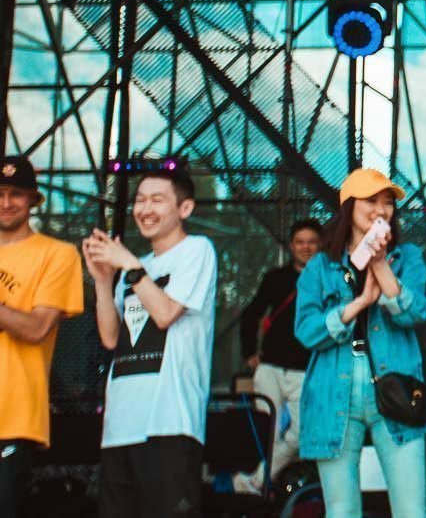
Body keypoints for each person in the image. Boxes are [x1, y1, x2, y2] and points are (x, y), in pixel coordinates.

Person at [294, 168, 426, 518]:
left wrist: (380, 265)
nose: (381, 210)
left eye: (388, 203)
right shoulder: (320, 266)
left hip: (396, 384)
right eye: (371, 200)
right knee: (341, 510)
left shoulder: (406, 257)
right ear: (349, 206)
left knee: (412, 510)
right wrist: (360, 303)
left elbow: (415, 314)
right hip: (333, 390)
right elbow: (306, 331)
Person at [82, 165, 217, 518]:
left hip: (170, 421)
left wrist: (129, 266)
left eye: (157, 200)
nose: (145, 209)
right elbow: (110, 338)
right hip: (120, 424)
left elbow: (166, 313)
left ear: (185, 208)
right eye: (140, 200)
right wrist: (102, 281)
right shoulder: (135, 266)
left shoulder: (197, 250)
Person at [0, 156, 84, 518]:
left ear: (33, 200)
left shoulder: (57, 254)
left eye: (16, 194)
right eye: (0, 193)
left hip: (12, 417)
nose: (5, 202)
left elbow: (36, 329)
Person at [232, 218, 322, 493]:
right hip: (270, 368)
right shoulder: (276, 278)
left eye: (311, 242)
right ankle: (268, 491)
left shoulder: (327, 279)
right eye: (300, 242)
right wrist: (250, 353)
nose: (305, 247)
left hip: (305, 371)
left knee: (299, 435)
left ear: (320, 246)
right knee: (267, 435)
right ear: (291, 246)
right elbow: (251, 314)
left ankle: (255, 482)